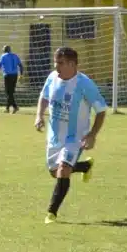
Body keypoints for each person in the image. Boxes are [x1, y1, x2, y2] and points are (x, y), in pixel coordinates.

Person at [35, 47, 107, 224]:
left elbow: (101, 110)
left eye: (60, 63)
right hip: (54, 136)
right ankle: (84, 167)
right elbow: (44, 97)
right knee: (55, 172)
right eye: (55, 62)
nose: (55, 66)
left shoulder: (85, 84)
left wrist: (92, 134)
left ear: (72, 64)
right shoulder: (52, 78)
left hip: (75, 138)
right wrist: (39, 115)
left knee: (63, 170)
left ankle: (51, 213)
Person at [0, 44, 23, 113]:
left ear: (4, 50)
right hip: (15, 75)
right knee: (10, 92)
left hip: (8, 76)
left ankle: (14, 107)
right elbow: (20, 65)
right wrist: (21, 75)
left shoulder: (3, 56)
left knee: (8, 92)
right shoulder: (15, 55)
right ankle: (8, 108)